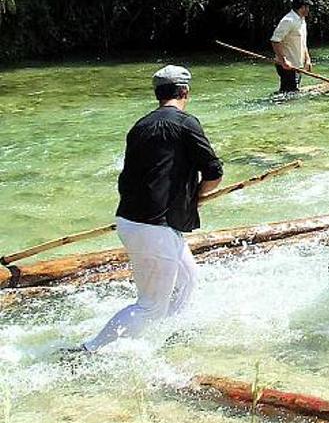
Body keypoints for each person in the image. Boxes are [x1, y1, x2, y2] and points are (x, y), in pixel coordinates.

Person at [76, 65, 223, 352]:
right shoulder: (186, 123)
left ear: (158, 94)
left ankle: (166, 340)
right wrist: (197, 198)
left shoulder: (140, 126)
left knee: (189, 280)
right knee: (150, 306)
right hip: (154, 227)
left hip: (134, 220)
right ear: (185, 92)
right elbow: (214, 173)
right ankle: (88, 351)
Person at [270, 0, 313, 94]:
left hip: (297, 65)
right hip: (287, 65)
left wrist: (307, 59)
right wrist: (283, 60)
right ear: (302, 7)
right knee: (289, 94)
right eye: (307, 7)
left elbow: (302, 43)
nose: (308, 10)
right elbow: (275, 41)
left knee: (291, 93)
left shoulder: (302, 20)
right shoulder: (288, 20)